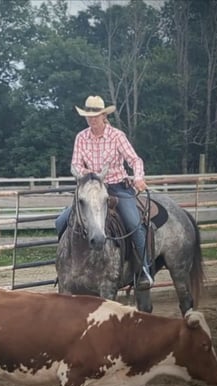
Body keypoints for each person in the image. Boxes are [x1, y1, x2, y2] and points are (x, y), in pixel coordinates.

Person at [56, 95, 153, 290]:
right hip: (90, 188)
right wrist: (90, 177)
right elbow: (75, 163)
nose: (91, 119)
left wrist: (139, 177)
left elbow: (135, 160)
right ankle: (64, 266)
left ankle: (144, 270)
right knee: (61, 221)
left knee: (134, 222)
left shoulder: (117, 136)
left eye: (95, 116)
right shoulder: (81, 137)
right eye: (88, 116)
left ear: (103, 116)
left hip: (116, 186)